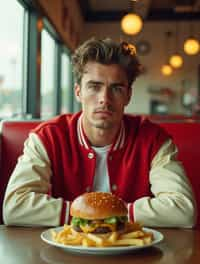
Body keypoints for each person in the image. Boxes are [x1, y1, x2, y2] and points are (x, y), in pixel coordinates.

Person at [3, 38, 196, 228]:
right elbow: (14, 207)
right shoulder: (47, 138)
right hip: (62, 257)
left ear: (128, 95)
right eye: (94, 87)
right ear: (78, 92)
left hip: (135, 256)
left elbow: (183, 210)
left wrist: (114, 215)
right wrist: (86, 214)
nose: (104, 98)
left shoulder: (154, 140)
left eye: (116, 88)